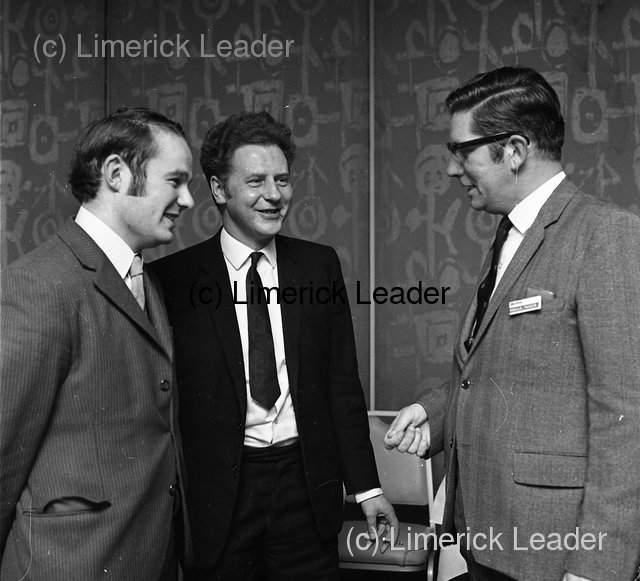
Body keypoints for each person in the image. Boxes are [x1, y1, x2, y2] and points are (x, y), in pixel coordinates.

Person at [385, 66, 640, 581]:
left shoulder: (606, 235)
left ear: (515, 150)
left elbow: (628, 413)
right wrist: (433, 413)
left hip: (558, 554)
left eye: (463, 150)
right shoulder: (509, 236)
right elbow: (504, 372)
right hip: (488, 539)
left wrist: (597, 569)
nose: (454, 168)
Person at [150, 111, 397, 580]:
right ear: (220, 190)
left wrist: (367, 489)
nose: (274, 195)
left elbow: (342, 384)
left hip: (306, 488)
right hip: (219, 497)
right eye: (257, 180)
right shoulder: (173, 281)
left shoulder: (318, 266)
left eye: (282, 179)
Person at [0, 107, 195, 580]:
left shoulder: (147, 281)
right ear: (115, 173)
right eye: (175, 181)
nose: (188, 200)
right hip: (72, 564)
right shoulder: (39, 284)